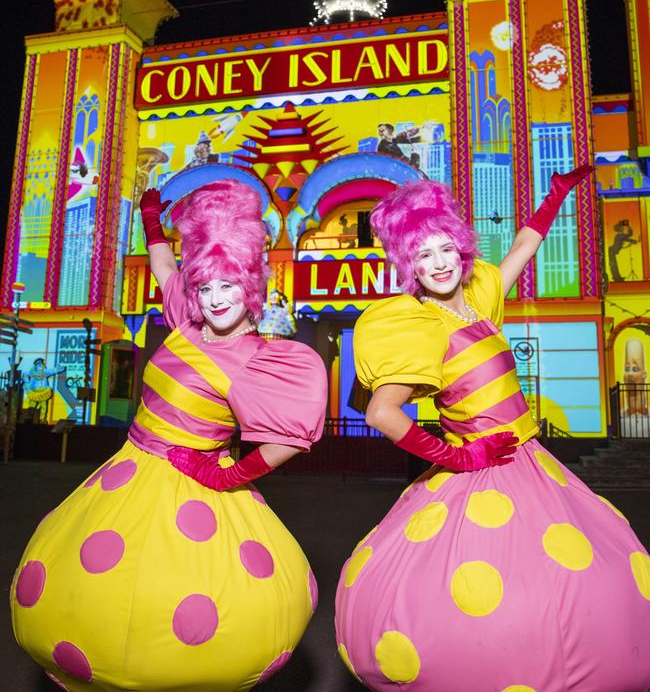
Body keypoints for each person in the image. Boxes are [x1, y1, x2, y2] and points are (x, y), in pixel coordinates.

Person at [335, 167, 650, 692]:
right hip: (480, 469)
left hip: (531, 459)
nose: (436, 264)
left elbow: (524, 246)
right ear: (409, 265)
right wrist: (458, 458)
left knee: (568, 579)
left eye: (443, 250)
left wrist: (554, 198)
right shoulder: (420, 328)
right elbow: (381, 413)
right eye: (422, 255)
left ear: (460, 250)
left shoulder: (479, 302)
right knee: (489, 589)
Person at [12, 180, 327, 692]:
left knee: (178, 610)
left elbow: (291, 439)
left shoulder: (258, 359)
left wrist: (229, 474)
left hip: (191, 482)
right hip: (128, 469)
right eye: (206, 286)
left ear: (248, 287)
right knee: (91, 598)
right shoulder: (187, 321)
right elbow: (163, 267)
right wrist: (151, 220)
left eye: (227, 285)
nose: (216, 298)